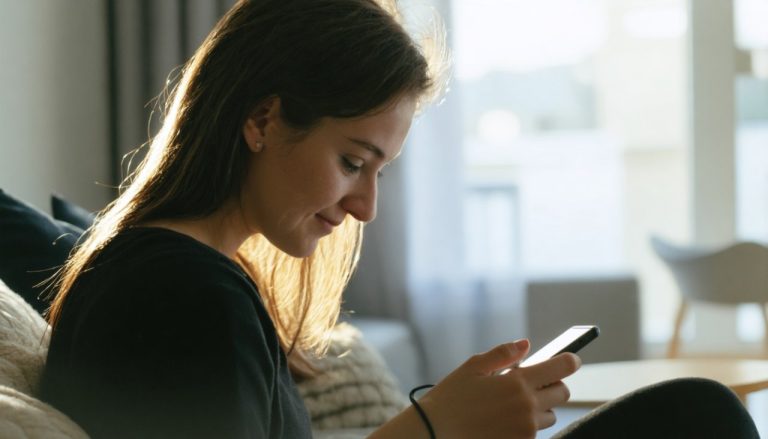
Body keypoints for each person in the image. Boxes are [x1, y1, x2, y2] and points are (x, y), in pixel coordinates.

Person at [40, 0, 760, 438]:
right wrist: (432, 427)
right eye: (354, 161)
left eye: (378, 172)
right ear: (262, 118)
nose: (365, 206)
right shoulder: (179, 291)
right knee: (695, 417)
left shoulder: (180, 275)